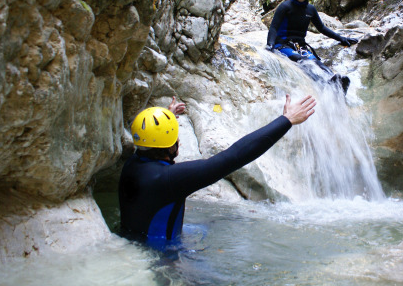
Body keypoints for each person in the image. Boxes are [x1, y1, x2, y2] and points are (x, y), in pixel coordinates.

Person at [118, 94, 316, 248]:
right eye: (175, 137)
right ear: (171, 147)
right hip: (163, 256)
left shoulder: (133, 163)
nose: (179, 140)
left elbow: (151, 139)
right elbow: (233, 157)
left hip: (135, 242)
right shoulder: (169, 179)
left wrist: (167, 116)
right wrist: (287, 120)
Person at [266, 0, 358, 93]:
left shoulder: (310, 9)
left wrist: (341, 38)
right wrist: (270, 44)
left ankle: (337, 83)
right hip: (283, 45)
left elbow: (322, 28)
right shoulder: (285, 7)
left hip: (300, 46)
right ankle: (324, 85)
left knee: (316, 62)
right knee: (303, 61)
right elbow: (273, 27)